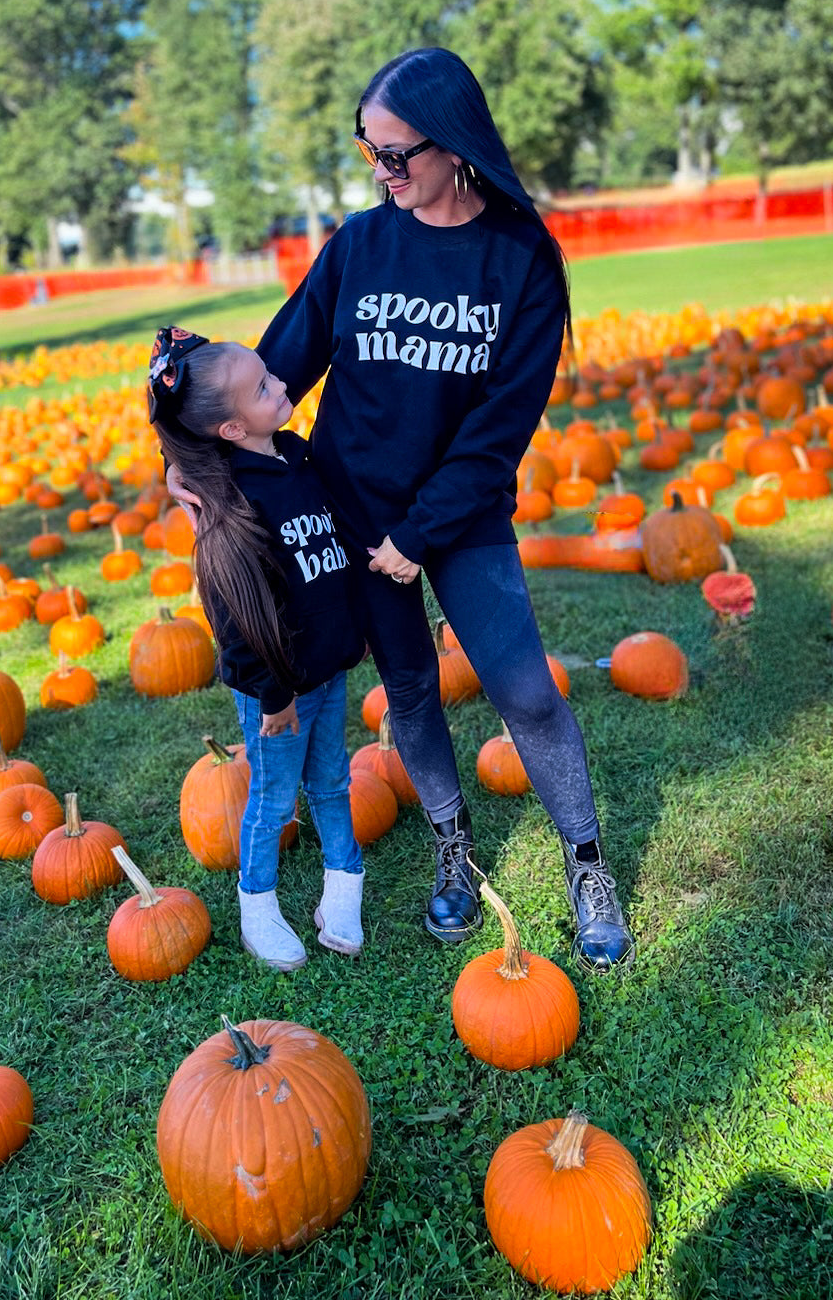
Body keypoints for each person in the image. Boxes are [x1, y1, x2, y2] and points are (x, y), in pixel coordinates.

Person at [169, 49, 634, 972]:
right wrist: (193, 466)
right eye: (368, 154)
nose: (383, 175)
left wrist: (415, 537)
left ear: (454, 144)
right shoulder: (359, 244)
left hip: (453, 520)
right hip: (346, 520)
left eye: (397, 156)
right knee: (412, 691)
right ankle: (452, 848)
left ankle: (586, 863)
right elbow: (268, 373)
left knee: (526, 691)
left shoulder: (523, 261)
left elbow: (500, 430)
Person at [148, 325, 366, 972]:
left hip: (328, 669)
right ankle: (257, 905)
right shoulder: (232, 503)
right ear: (232, 431)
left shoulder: (295, 458)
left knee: (333, 780)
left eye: (271, 376)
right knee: (273, 799)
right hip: (281, 690)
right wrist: (273, 698)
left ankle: (343, 884)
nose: (281, 386)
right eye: (265, 387)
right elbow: (236, 618)